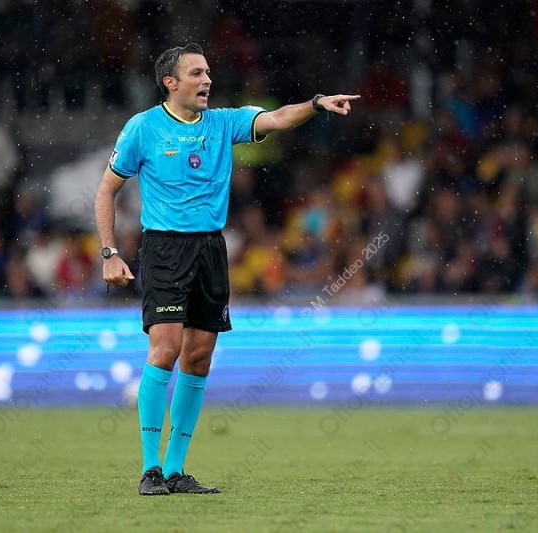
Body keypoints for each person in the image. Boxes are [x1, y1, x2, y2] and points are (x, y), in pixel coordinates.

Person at [94, 42, 359, 496]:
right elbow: (106, 191)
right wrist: (109, 253)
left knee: (199, 356)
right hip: (165, 248)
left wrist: (316, 104)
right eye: (196, 73)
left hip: (211, 250)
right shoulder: (143, 127)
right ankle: (150, 469)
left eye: (208, 72)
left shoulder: (222, 123)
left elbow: (278, 118)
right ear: (170, 83)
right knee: (166, 348)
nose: (207, 80)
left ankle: (176, 470)